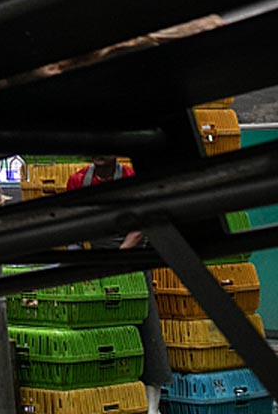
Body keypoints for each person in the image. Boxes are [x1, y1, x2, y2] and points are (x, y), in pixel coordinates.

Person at [67, 158, 170, 410]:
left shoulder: (132, 179)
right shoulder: (78, 181)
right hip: (97, 266)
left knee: (146, 332)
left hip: (131, 263)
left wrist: (120, 256)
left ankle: (151, 406)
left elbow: (141, 227)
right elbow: (71, 228)